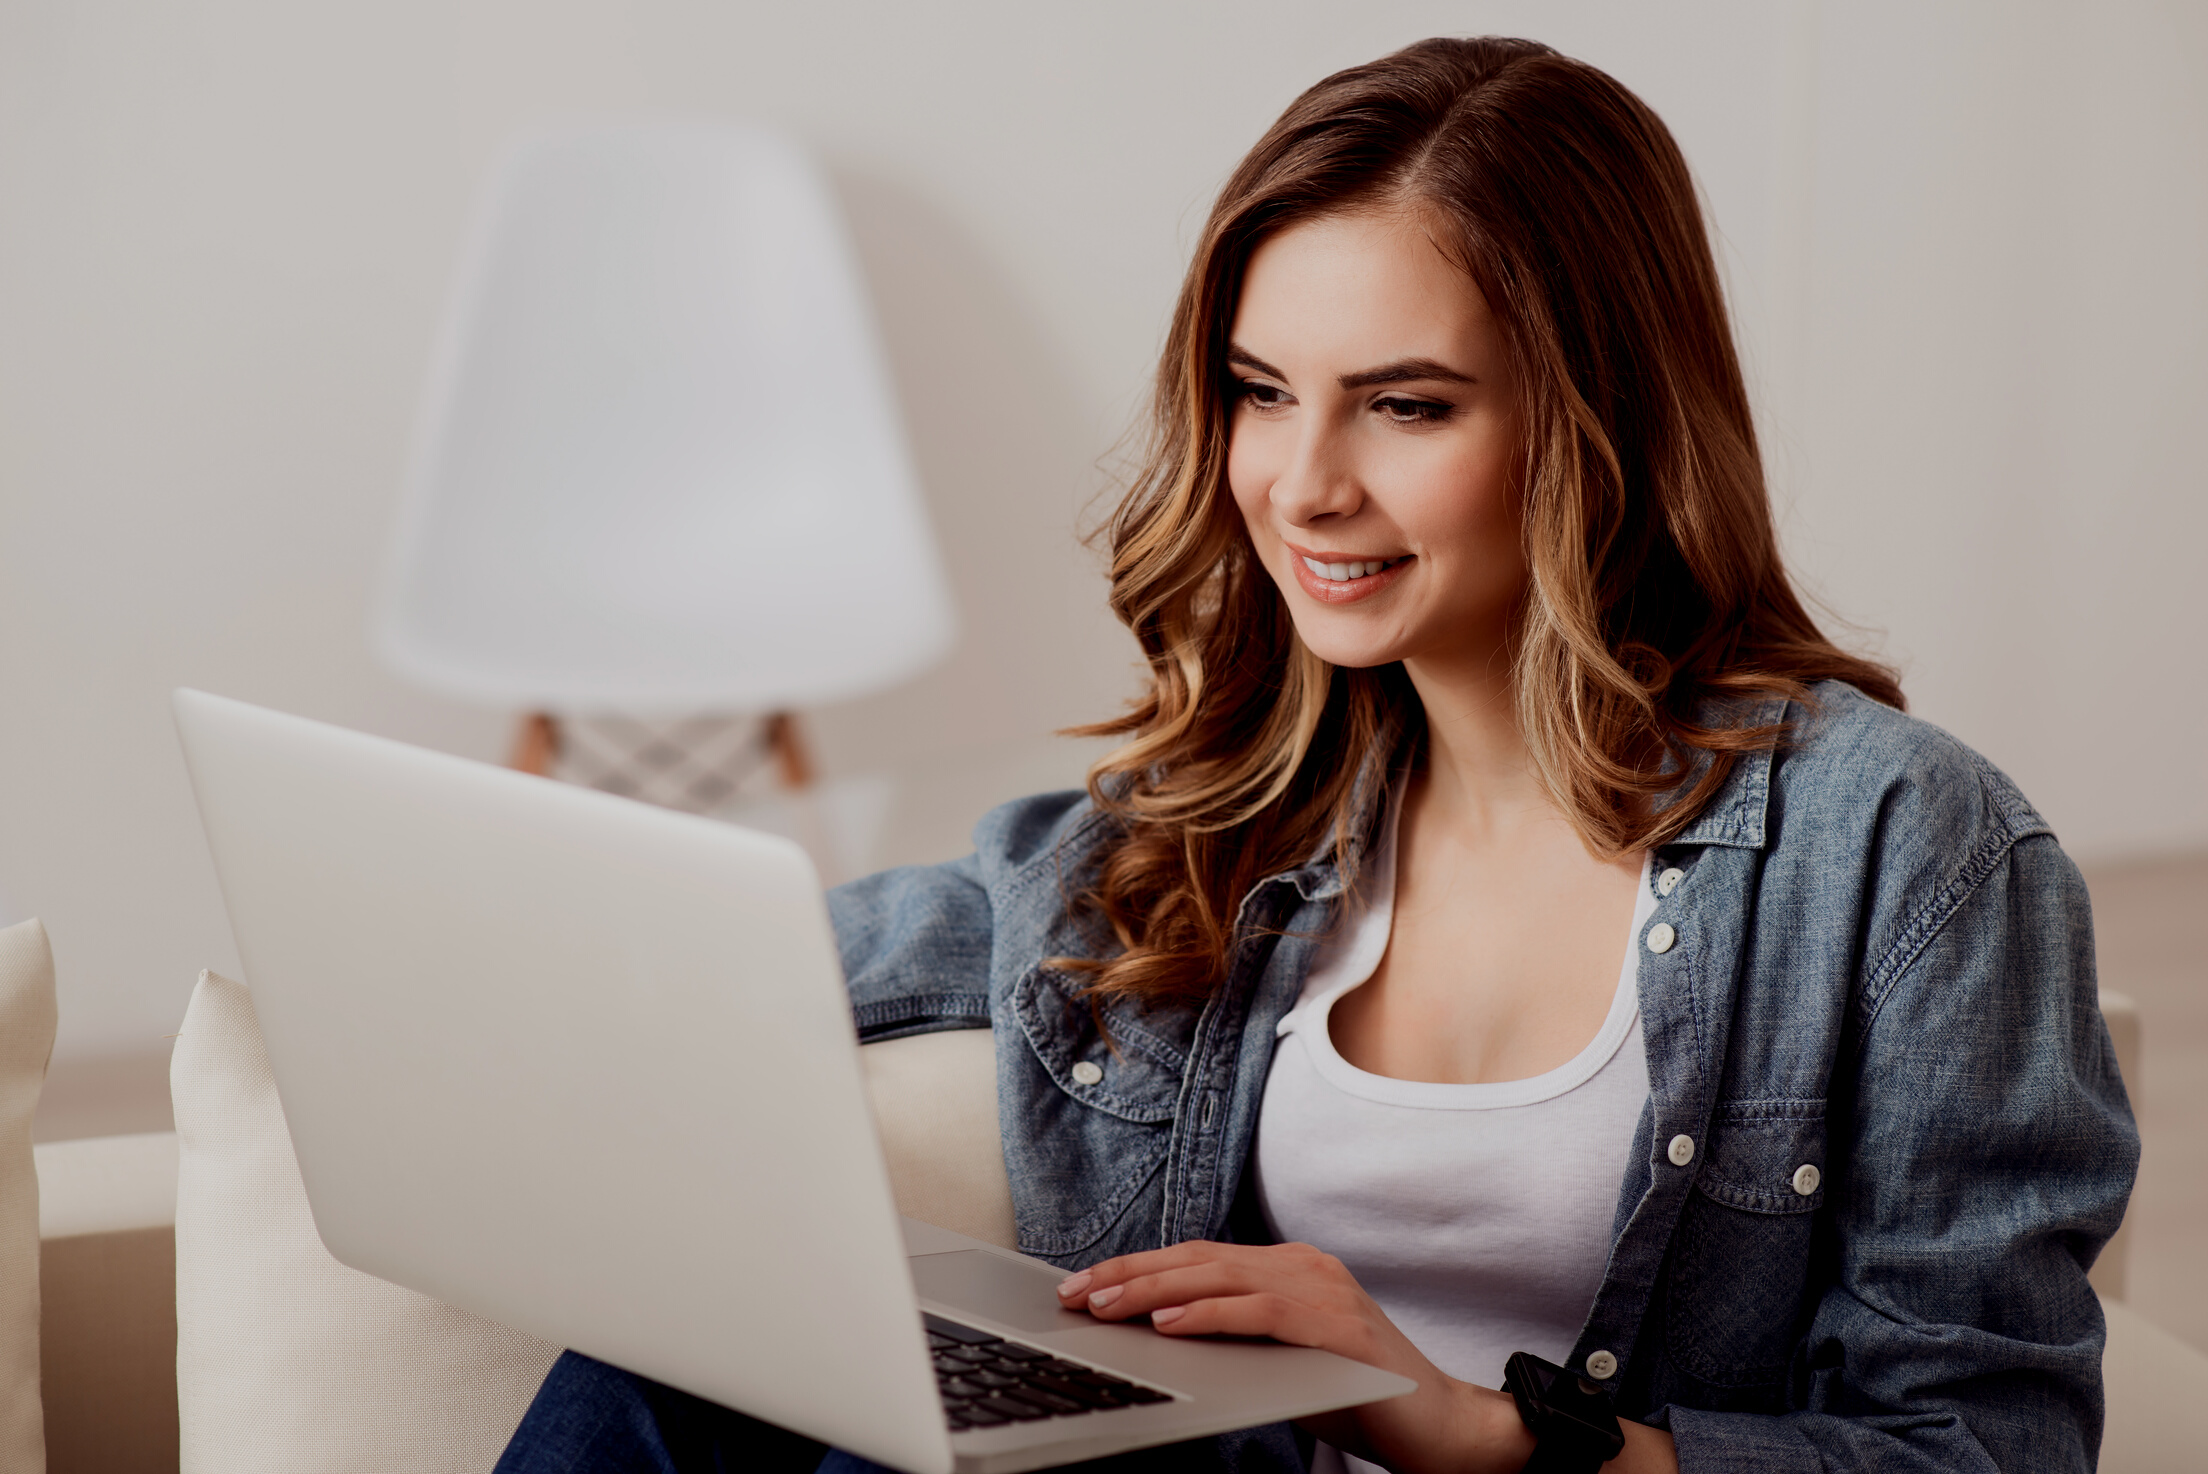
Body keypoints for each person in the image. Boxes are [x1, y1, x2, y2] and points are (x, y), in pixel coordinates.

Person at [497, 35, 2136, 1474]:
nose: (1298, 483)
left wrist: (1465, 1421)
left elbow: (1985, 1443)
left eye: (1406, 406)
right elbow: (761, 960)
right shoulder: (1209, 819)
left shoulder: (1906, 848)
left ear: (1597, 424)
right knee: (699, 1370)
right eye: (1260, 391)